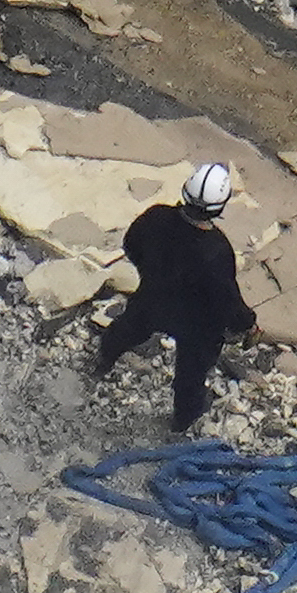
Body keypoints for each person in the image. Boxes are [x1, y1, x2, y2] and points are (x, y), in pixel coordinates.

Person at [96, 163, 257, 433]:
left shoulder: (156, 217)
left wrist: (151, 273)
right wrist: (247, 323)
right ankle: (184, 418)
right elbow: (226, 300)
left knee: (126, 329)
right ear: (219, 207)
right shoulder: (217, 250)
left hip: (152, 299)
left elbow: (131, 244)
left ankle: (103, 360)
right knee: (191, 372)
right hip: (196, 323)